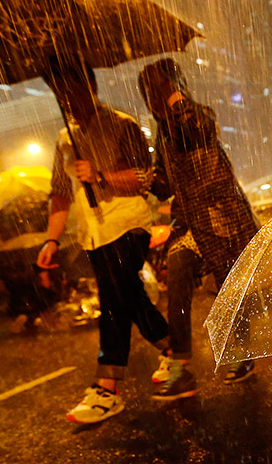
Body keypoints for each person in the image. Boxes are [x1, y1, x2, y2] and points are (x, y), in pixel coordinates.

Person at [36, 59, 173, 424]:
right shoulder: (64, 139)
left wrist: (101, 176)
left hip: (128, 224)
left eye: (71, 92)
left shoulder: (122, 124)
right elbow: (60, 193)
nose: (66, 101)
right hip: (93, 235)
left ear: (91, 88)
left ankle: (107, 388)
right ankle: (173, 348)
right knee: (128, 296)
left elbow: (144, 178)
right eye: (59, 94)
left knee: (113, 301)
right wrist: (51, 241)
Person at [138, 58, 260, 397]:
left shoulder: (197, 114)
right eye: (148, 92)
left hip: (221, 217)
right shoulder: (163, 131)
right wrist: (146, 179)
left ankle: (243, 352)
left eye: (157, 89)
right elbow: (165, 184)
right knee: (178, 276)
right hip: (190, 223)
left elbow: (198, 131)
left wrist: (176, 99)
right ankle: (180, 364)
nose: (152, 99)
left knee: (229, 287)